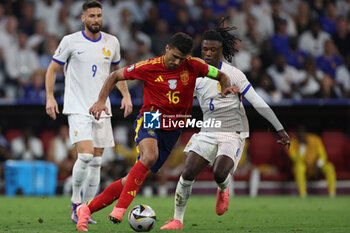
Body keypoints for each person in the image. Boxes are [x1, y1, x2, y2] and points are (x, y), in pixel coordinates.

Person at [76, 32, 238, 231]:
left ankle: (86, 210)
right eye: (174, 56)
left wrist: (225, 87)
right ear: (167, 49)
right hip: (150, 119)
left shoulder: (195, 66)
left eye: (182, 59)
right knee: (150, 156)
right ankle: (120, 208)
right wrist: (101, 101)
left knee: (129, 181)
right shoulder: (149, 67)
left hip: (174, 127)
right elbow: (115, 75)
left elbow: (222, 75)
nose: (177, 62)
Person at [160, 20, 290, 230]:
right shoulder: (194, 74)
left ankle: (223, 188)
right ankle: (177, 220)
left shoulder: (235, 75)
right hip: (208, 129)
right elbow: (175, 101)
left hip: (232, 132)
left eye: (213, 49)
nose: (208, 53)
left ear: (221, 50)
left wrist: (279, 128)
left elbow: (257, 102)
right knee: (188, 172)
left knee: (219, 173)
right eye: (204, 49)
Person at [45, 0, 132, 225]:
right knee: (84, 155)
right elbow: (53, 69)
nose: (96, 20)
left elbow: (116, 72)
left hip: (102, 109)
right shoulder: (70, 41)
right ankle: (75, 203)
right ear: (83, 18)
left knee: (96, 162)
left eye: (99, 15)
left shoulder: (112, 42)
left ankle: (87, 210)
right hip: (77, 107)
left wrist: (126, 95)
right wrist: (50, 97)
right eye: (91, 16)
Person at [288, 125, 336, 197]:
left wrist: (318, 165)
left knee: (329, 167)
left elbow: (323, 155)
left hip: (316, 166)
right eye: (299, 132)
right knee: (299, 167)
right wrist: (302, 146)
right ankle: (303, 194)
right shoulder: (291, 143)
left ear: (306, 132)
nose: (301, 134)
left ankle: (332, 194)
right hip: (304, 167)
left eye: (303, 132)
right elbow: (296, 160)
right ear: (296, 134)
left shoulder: (315, 139)